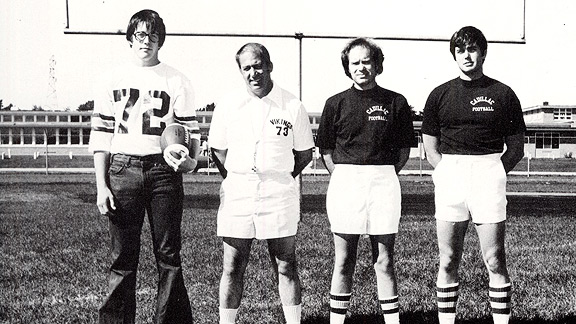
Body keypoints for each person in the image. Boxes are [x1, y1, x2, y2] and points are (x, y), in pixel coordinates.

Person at [88, 9, 200, 324]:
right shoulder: (111, 79)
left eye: (152, 35)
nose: (146, 41)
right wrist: (101, 186)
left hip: (164, 171)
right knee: (122, 258)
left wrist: (190, 161)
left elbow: (190, 131)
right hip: (122, 169)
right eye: (140, 34)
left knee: (169, 257)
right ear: (129, 38)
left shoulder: (177, 79)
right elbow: (101, 137)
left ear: (160, 40)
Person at [421, 26, 525, 324]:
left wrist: (492, 173)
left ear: (483, 52)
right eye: (460, 50)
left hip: (488, 172)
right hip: (451, 174)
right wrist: (446, 173)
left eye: (472, 49)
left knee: (494, 259)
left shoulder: (502, 94)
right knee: (449, 259)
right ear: (454, 55)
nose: (466, 56)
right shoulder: (439, 94)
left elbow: (515, 148)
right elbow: (430, 147)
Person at [208, 43, 314, 324]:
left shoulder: (292, 105)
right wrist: (234, 177)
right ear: (240, 71)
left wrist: (281, 175)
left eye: (257, 65)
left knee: (285, 264)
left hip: (278, 192)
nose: (253, 73)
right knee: (232, 265)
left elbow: (304, 153)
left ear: (269, 65)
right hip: (239, 191)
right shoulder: (229, 105)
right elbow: (218, 151)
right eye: (246, 68)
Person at [315, 37, 415, 324]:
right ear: (347, 67)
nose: (361, 67)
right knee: (344, 261)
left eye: (366, 61)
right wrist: (348, 176)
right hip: (346, 181)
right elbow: (326, 152)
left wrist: (380, 173)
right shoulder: (335, 103)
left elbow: (403, 151)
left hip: (384, 181)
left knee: (384, 260)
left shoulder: (396, 102)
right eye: (355, 62)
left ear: (377, 64)